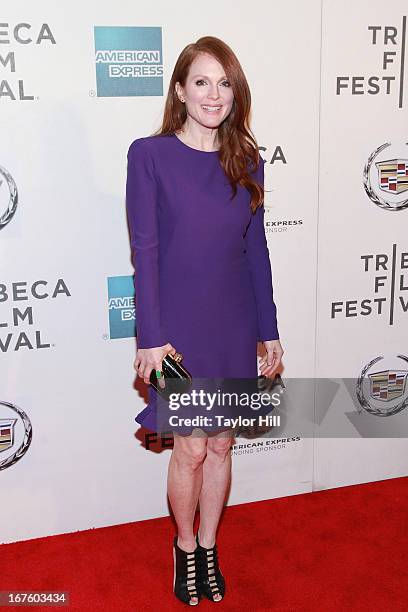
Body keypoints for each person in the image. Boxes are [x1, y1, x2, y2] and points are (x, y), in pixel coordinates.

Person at [126, 35, 283, 606]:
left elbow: (257, 253)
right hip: (177, 332)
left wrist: (268, 330)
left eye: (224, 83)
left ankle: (212, 544)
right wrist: (150, 337)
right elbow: (145, 250)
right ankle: (185, 547)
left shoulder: (247, 160)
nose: (213, 93)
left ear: (234, 94)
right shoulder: (149, 155)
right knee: (189, 447)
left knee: (220, 446)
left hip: (234, 323)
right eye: (201, 81)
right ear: (180, 90)